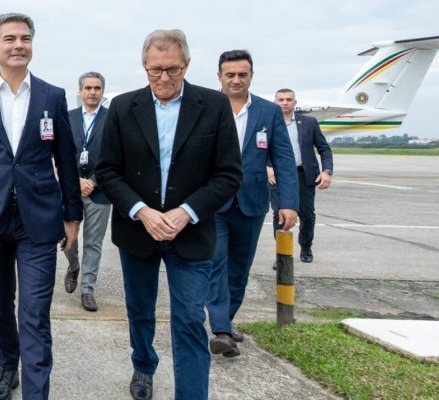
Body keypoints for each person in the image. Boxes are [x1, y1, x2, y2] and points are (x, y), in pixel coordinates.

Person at [96, 29, 242, 400]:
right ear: (144, 66)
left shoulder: (213, 105)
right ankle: (144, 365)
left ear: (187, 65)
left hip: (190, 234)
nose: (164, 77)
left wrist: (186, 212)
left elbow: (228, 174)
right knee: (140, 311)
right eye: (155, 70)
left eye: (172, 69)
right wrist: (142, 211)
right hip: (138, 232)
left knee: (190, 318)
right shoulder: (123, 108)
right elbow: (107, 171)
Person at [0, 13, 82, 400]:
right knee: (0, 304)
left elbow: (66, 159)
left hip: (38, 219)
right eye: (9, 39)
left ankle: (35, 393)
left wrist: (72, 214)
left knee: (35, 312)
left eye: (25, 38)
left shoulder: (51, 96)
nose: (18, 45)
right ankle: (7, 364)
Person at [206, 50, 299, 358]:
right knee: (216, 264)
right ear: (219, 76)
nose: (236, 80)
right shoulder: (206, 106)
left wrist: (288, 202)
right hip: (212, 202)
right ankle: (221, 330)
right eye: (230, 74)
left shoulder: (268, 112)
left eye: (242, 74)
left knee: (239, 269)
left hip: (252, 201)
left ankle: (226, 321)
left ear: (251, 76)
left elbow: (283, 158)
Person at [62, 71, 111, 312]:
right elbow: (60, 153)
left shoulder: (112, 118)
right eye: (88, 88)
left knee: (93, 242)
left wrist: (93, 180)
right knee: (67, 238)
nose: (92, 92)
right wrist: (76, 180)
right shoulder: (67, 117)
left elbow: (115, 155)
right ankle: (73, 267)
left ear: (102, 92)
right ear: (80, 91)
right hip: (71, 189)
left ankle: (87, 289)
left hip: (99, 191)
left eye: (97, 88)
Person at [269, 88, 333, 263]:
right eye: (281, 100)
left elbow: (324, 149)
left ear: (295, 103)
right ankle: (282, 255)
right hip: (278, 176)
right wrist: (267, 166)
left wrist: (327, 171)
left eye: (288, 99)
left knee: (307, 215)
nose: (285, 103)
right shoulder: (268, 123)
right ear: (275, 102)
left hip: (303, 174)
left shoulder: (309, 122)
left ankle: (306, 246)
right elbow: (260, 147)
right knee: (279, 215)